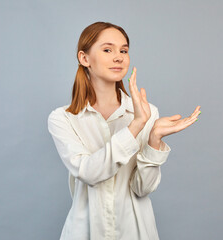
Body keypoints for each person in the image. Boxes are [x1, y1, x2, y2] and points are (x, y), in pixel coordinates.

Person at [47, 21, 201, 240]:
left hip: (135, 231)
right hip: (84, 231)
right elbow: (89, 172)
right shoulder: (63, 118)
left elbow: (142, 189)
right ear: (84, 58)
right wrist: (136, 125)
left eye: (124, 50)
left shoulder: (149, 113)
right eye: (108, 49)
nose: (118, 57)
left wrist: (154, 139)